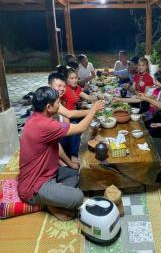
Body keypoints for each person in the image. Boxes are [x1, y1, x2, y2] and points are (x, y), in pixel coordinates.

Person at [18, 86, 104, 221]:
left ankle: (54, 198)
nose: (60, 104)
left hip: (48, 173)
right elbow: (81, 127)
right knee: (78, 197)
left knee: (78, 173)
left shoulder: (35, 117)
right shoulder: (46, 125)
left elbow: (55, 145)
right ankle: (49, 204)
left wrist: (69, 163)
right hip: (33, 187)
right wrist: (93, 109)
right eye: (58, 102)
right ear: (48, 107)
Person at [48, 72, 90, 163]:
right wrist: (93, 111)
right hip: (54, 146)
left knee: (74, 127)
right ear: (49, 86)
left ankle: (75, 155)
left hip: (60, 140)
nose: (62, 89)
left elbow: (67, 119)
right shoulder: (50, 103)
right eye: (58, 86)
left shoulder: (58, 100)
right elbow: (70, 114)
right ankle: (74, 158)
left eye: (63, 86)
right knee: (76, 127)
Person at [144, 70, 161, 138]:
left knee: (149, 133)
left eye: (156, 81)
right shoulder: (156, 90)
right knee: (143, 125)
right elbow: (153, 107)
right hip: (157, 118)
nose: (154, 82)